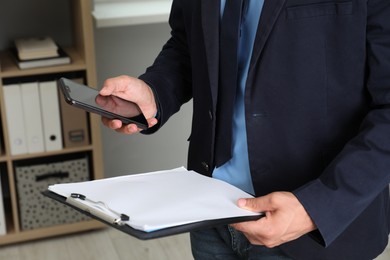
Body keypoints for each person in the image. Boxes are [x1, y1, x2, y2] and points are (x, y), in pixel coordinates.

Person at [99, 0, 390, 259]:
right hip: (210, 212)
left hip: (311, 227)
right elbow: (188, 43)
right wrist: (154, 91)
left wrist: (318, 208)